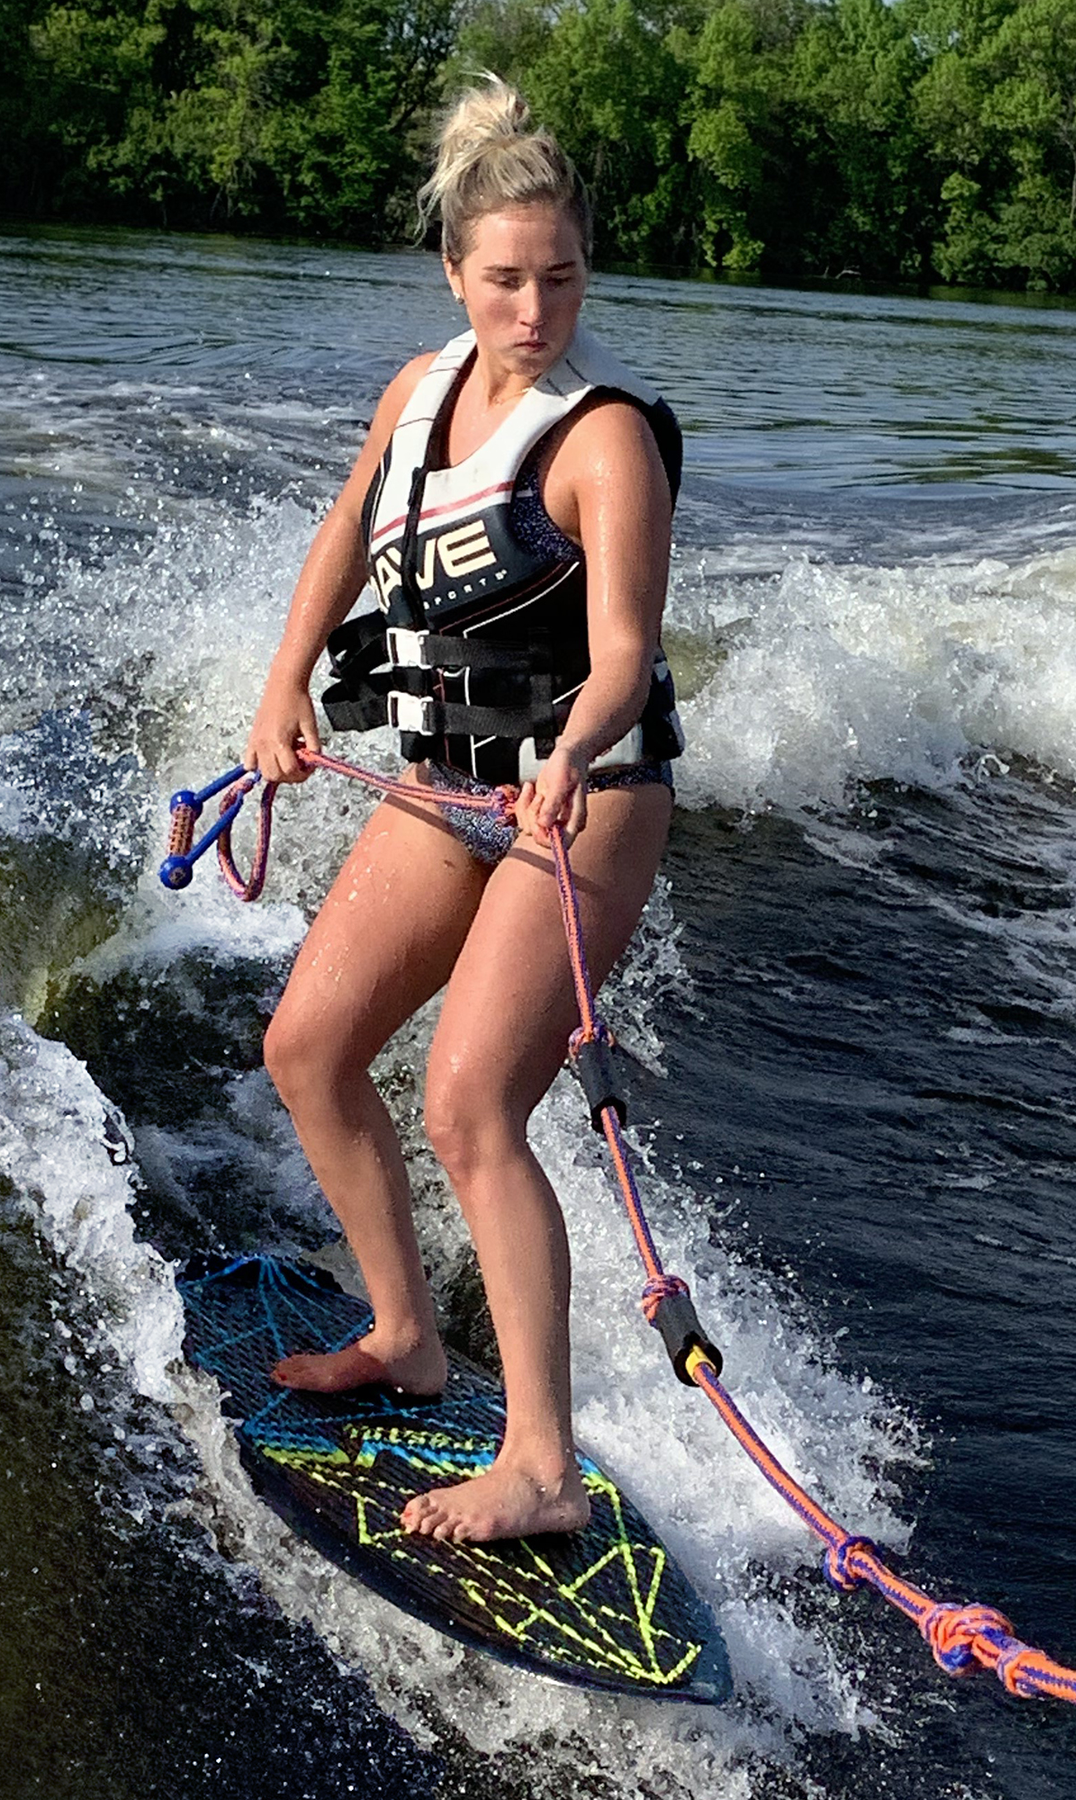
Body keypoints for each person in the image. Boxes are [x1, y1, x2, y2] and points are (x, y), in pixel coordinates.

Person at [239, 77, 684, 1546]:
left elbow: (623, 652)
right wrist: (283, 687)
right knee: (308, 1046)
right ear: (454, 272)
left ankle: (543, 1463)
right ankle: (407, 1336)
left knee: (470, 1102)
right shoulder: (418, 393)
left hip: (586, 802)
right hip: (443, 788)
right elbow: (345, 533)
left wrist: (571, 746)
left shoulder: (602, 436)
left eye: (561, 276)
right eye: (505, 279)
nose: (536, 307)